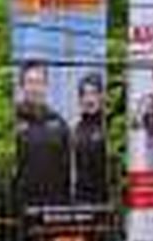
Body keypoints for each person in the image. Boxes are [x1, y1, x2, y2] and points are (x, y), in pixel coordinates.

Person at [15, 60, 70, 207]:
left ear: (46, 86)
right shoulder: (12, 120)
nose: (35, 88)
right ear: (22, 86)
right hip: (22, 208)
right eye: (30, 82)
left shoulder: (59, 123)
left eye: (39, 82)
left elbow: (67, 168)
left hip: (54, 208)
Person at [72, 72, 108, 204]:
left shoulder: (107, 125)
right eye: (85, 94)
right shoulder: (76, 129)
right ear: (80, 99)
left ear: (101, 96)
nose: (89, 99)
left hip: (105, 202)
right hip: (81, 199)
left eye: (93, 93)